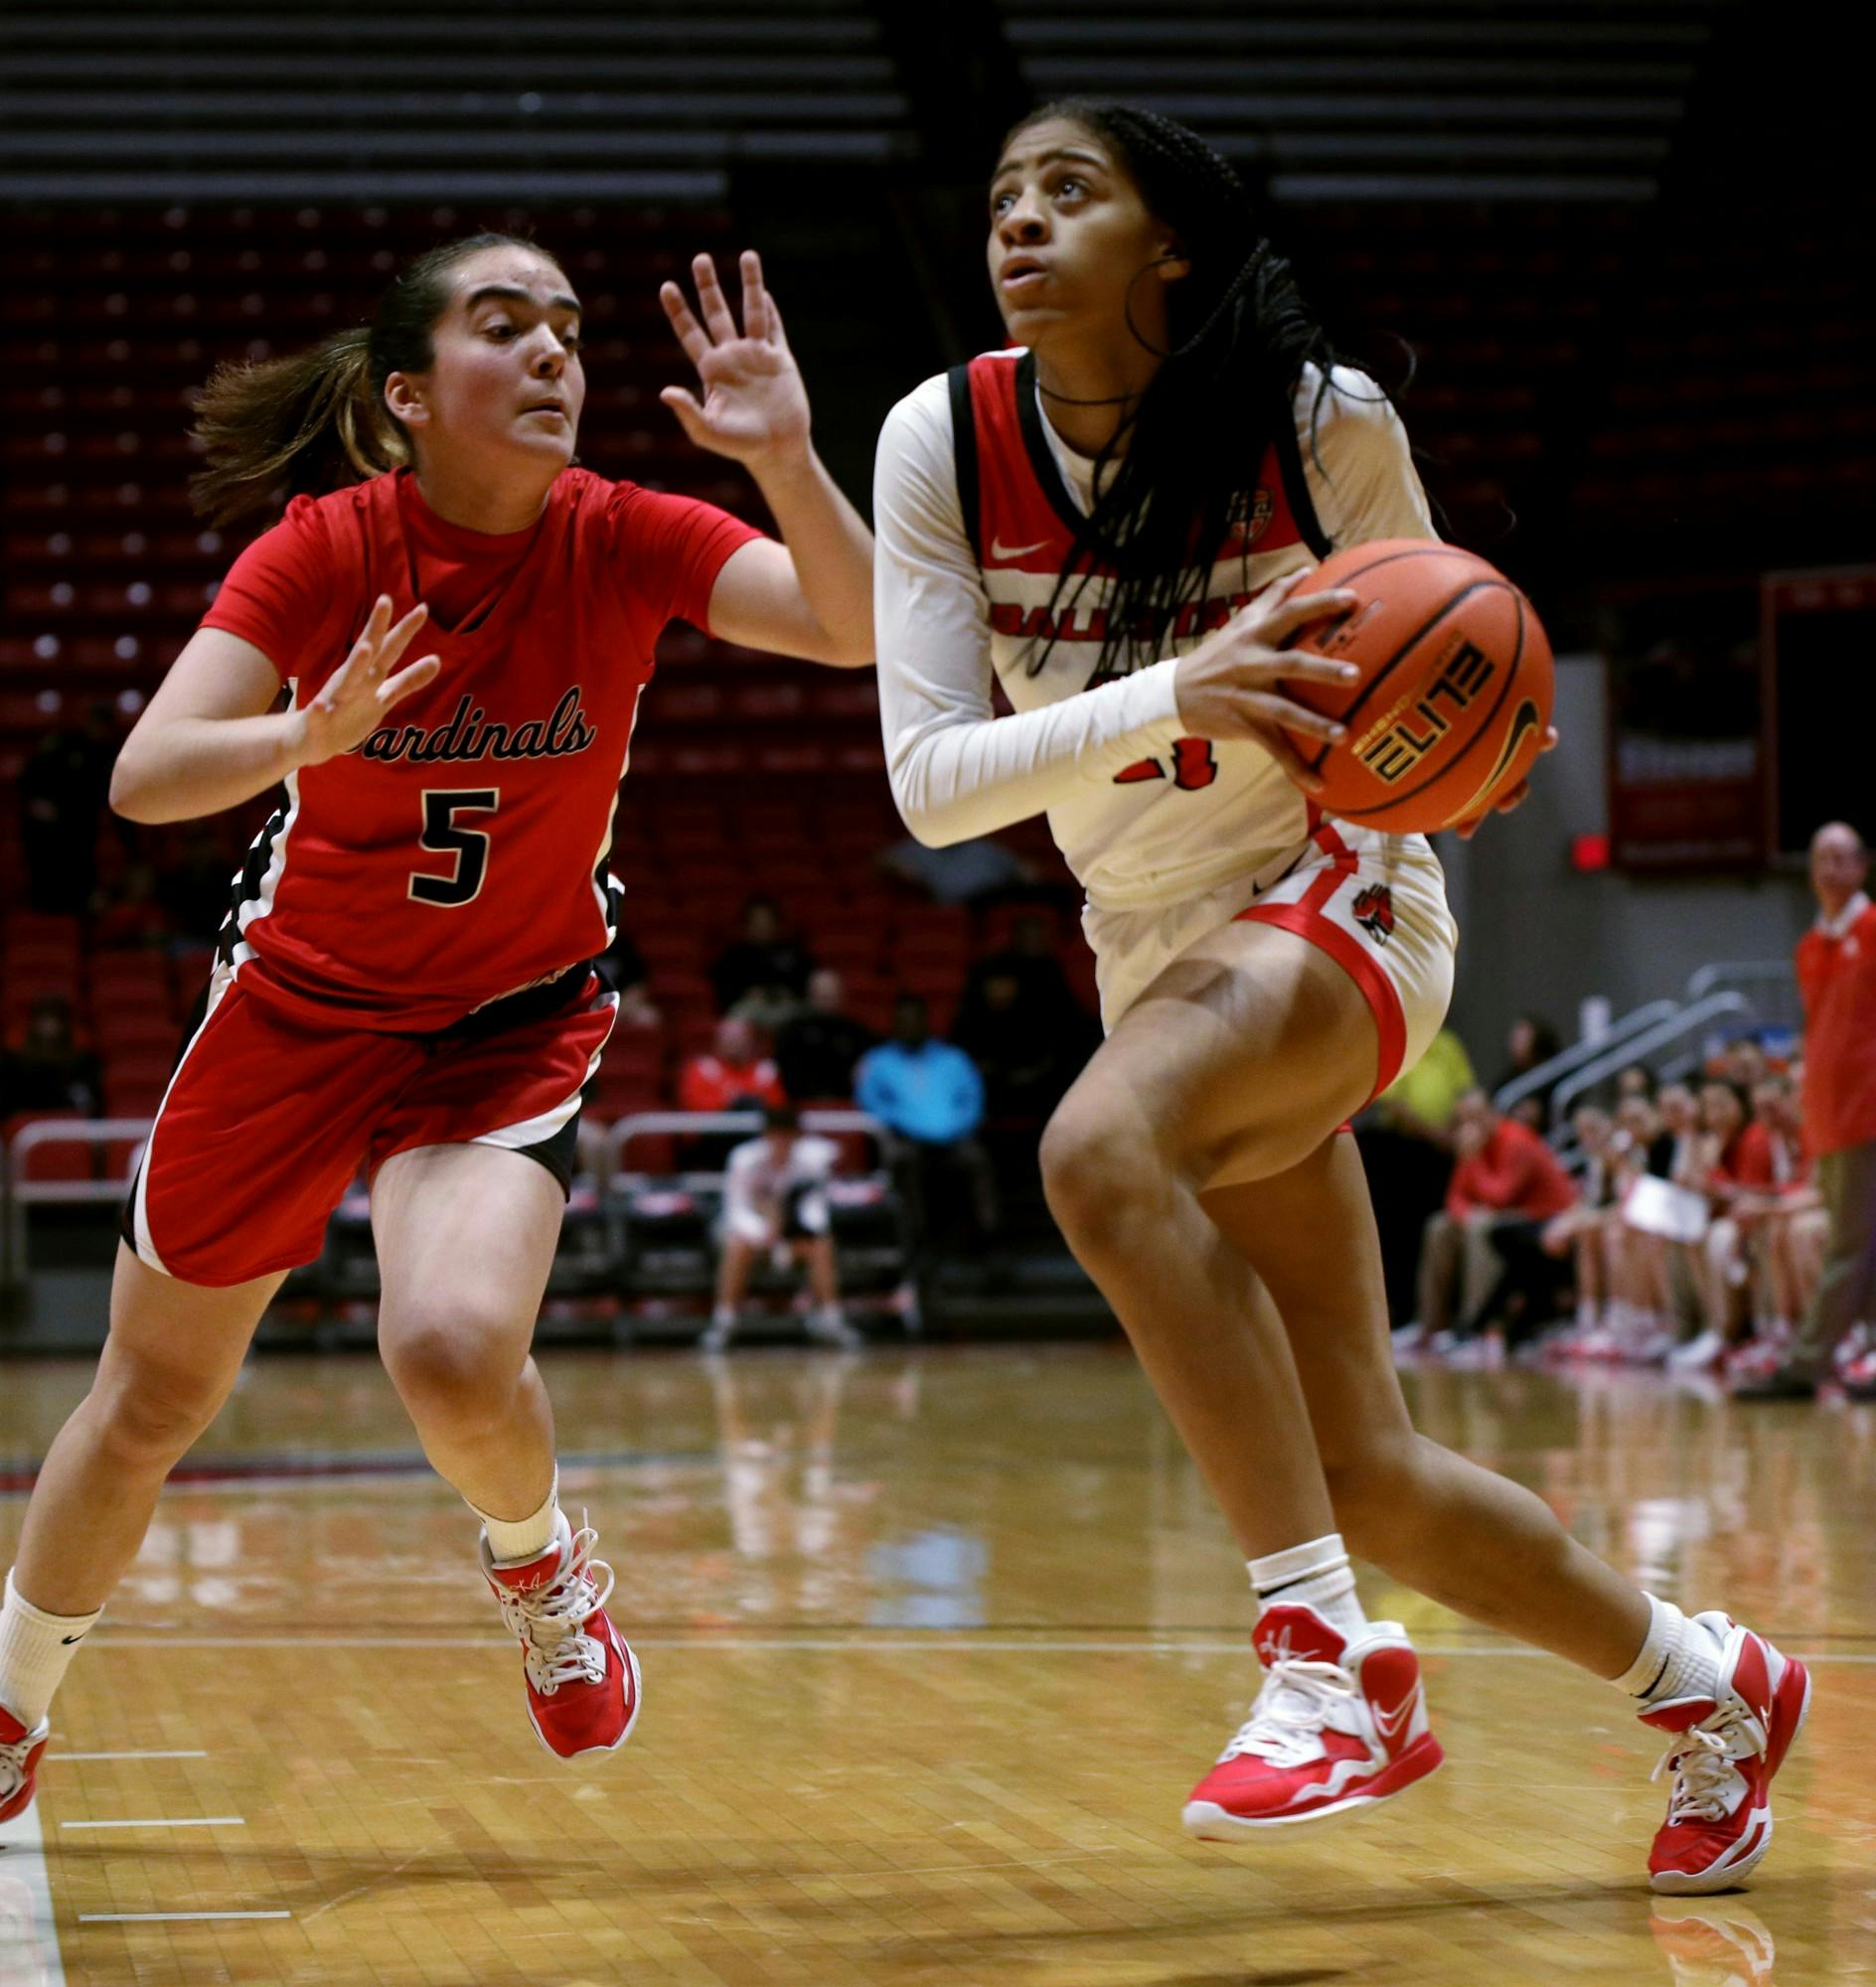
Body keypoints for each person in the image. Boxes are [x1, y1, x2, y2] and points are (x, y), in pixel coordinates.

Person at [869, 97, 1805, 1886]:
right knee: (1364, 1471)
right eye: (1000, 196)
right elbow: (931, 783)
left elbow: (1451, 667)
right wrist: (1182, 692)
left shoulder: (1319, 427)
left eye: (1068, 192)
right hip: (1148, 945)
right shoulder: (942, 434)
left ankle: (1321, 1657)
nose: (1016, 223)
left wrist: (1478, 743)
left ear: (1169, 244)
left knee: (1089, 1158)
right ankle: (1711, 1688)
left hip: (1340, 897)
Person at [0, 231, 875, 1827]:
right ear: (409, 395)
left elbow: (853, 628)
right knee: (147, 1406)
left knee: (455, 1350)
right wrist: (302, 734)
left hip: (507, 1017)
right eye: (505, 326)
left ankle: (542, 1569)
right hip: (295, 1017)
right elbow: (144, 777)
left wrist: (790, 461)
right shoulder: (327, 547)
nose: (554, 353)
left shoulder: (620, 535)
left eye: (567, 329)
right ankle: (12, 1711)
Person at [1736, 821, 1876, 1401]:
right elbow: (1822, 1036)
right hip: (1831, 1119)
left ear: (1863, 866)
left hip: (1868, 1113)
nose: (1830, 870)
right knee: (1861, 1244)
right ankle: (1861, 1353)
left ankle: (1805, 1364)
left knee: (1847, 1245)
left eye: (1842, 858)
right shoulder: (1808, 948)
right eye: (1821, 858)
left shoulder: (1873, 930)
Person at [1412, 1089, 1578, 1351]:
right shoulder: (1475, 1148)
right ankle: (1431, 1326)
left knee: (1480, 1229)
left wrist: (1472, 1159)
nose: (1470, 1126)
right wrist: (1466, 1214)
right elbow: (1454, 1198)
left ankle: (1474, 1326)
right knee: (1439, 1226)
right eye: (1464, 1120)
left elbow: (1501, 1196)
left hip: (1543, 1215)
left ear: (1492, 1115)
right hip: (1503, 1214)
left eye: (1476, 1118)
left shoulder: (1515, 1140)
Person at [703, 1103, 860, 1352]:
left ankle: (831, 1321)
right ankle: (724, 1323)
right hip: (752, 1236)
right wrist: (764, 1231)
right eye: (777, 1136)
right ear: (766, 1135)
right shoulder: (743, 1160)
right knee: (735, 1245)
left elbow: (815, 1210)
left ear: (798, 1136)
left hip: (793, 1234)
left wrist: (788, 1231)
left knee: (821, 1245)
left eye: (789, 1137)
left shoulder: (813, 1161)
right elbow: (736, 1210)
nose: (782, 1143)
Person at [856, 994, 999, 1244]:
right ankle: (917, 1241)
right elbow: (870, 1101)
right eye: (904, 1021)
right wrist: (901, 1123)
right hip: (905, 1138)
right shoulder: (877, 1061)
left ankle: (987, 1238)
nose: (910, 1026)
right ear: (895, 1024)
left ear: (926, 1022)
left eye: (915, 1020)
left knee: (977, 1160)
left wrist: (956, 1127)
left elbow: (973, 1100)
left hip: (954, 1137)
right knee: (902, 1161)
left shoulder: (953, 1058)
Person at [774, 967, 875, 1102]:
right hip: (803, 1103)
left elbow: (872, 1066)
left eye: (831, 994)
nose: (827, 999)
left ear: (842, 995)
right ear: (810, 995)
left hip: (848, 1103)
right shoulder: (792, 1031)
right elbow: (786, 1071)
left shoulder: (856, 1032)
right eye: (822, 994)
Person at [0, 996, 103, 1119]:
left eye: (53, 1020)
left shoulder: (82, 1063)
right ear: (33, 1023)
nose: (48, 1026)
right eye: (44, 1020)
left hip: (66, 1123)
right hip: (25, 1124)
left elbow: (89, 1103)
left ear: (63, 1025)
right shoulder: (14, 1062)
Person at [709, 895, 814, 1014]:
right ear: (746, 925)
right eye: (757, 921)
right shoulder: (733, 955)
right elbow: (723, 988)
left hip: (787, 1007)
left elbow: (807, 982)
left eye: (766, 920)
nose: (762, 926)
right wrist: (745, 994)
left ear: (776, 923)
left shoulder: (793, 952)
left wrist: (789, 993)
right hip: (748, 1008)